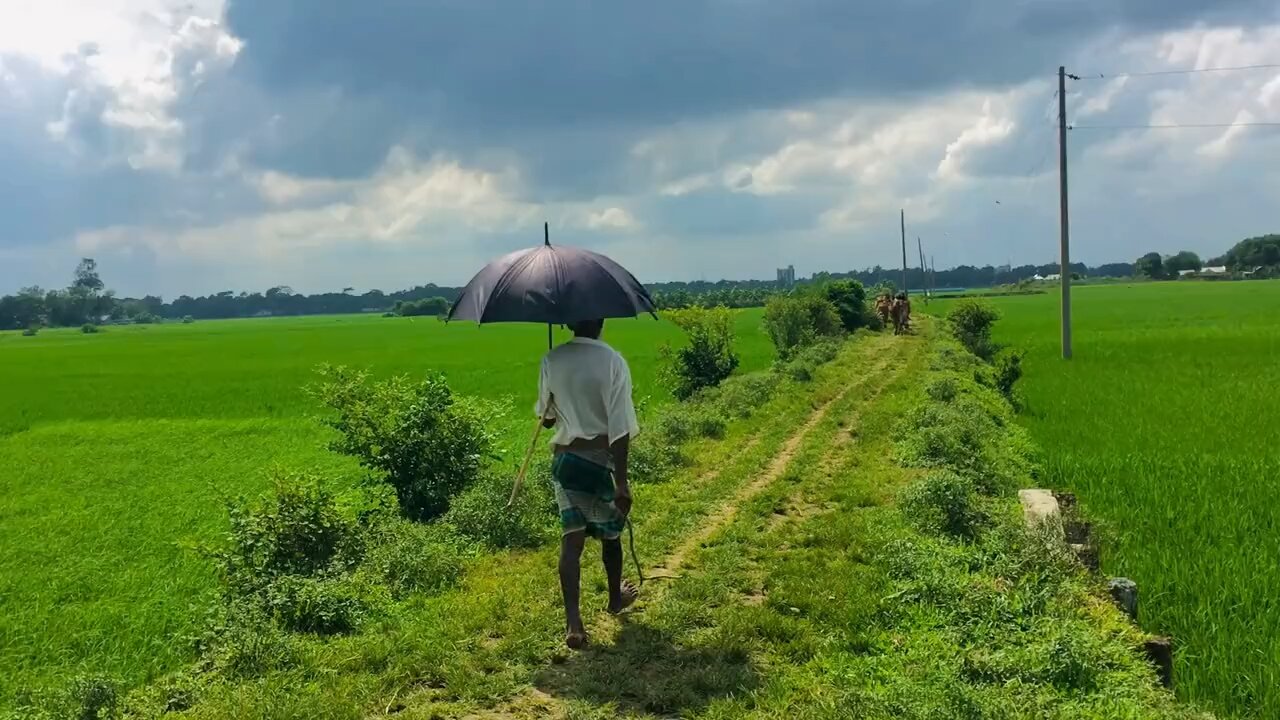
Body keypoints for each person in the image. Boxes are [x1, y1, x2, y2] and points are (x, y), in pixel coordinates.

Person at [535, 318, 639, 649]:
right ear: (602, 321)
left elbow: (546, 417)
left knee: (572, 541)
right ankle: (614, 599)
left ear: (567, 321)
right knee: (611, 534)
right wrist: (621, 481)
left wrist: (554, 404)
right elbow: (620, 426)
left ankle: (573, 623)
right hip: (600, 462)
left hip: (566, 462)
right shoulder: (613, 361)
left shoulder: (552, 359)